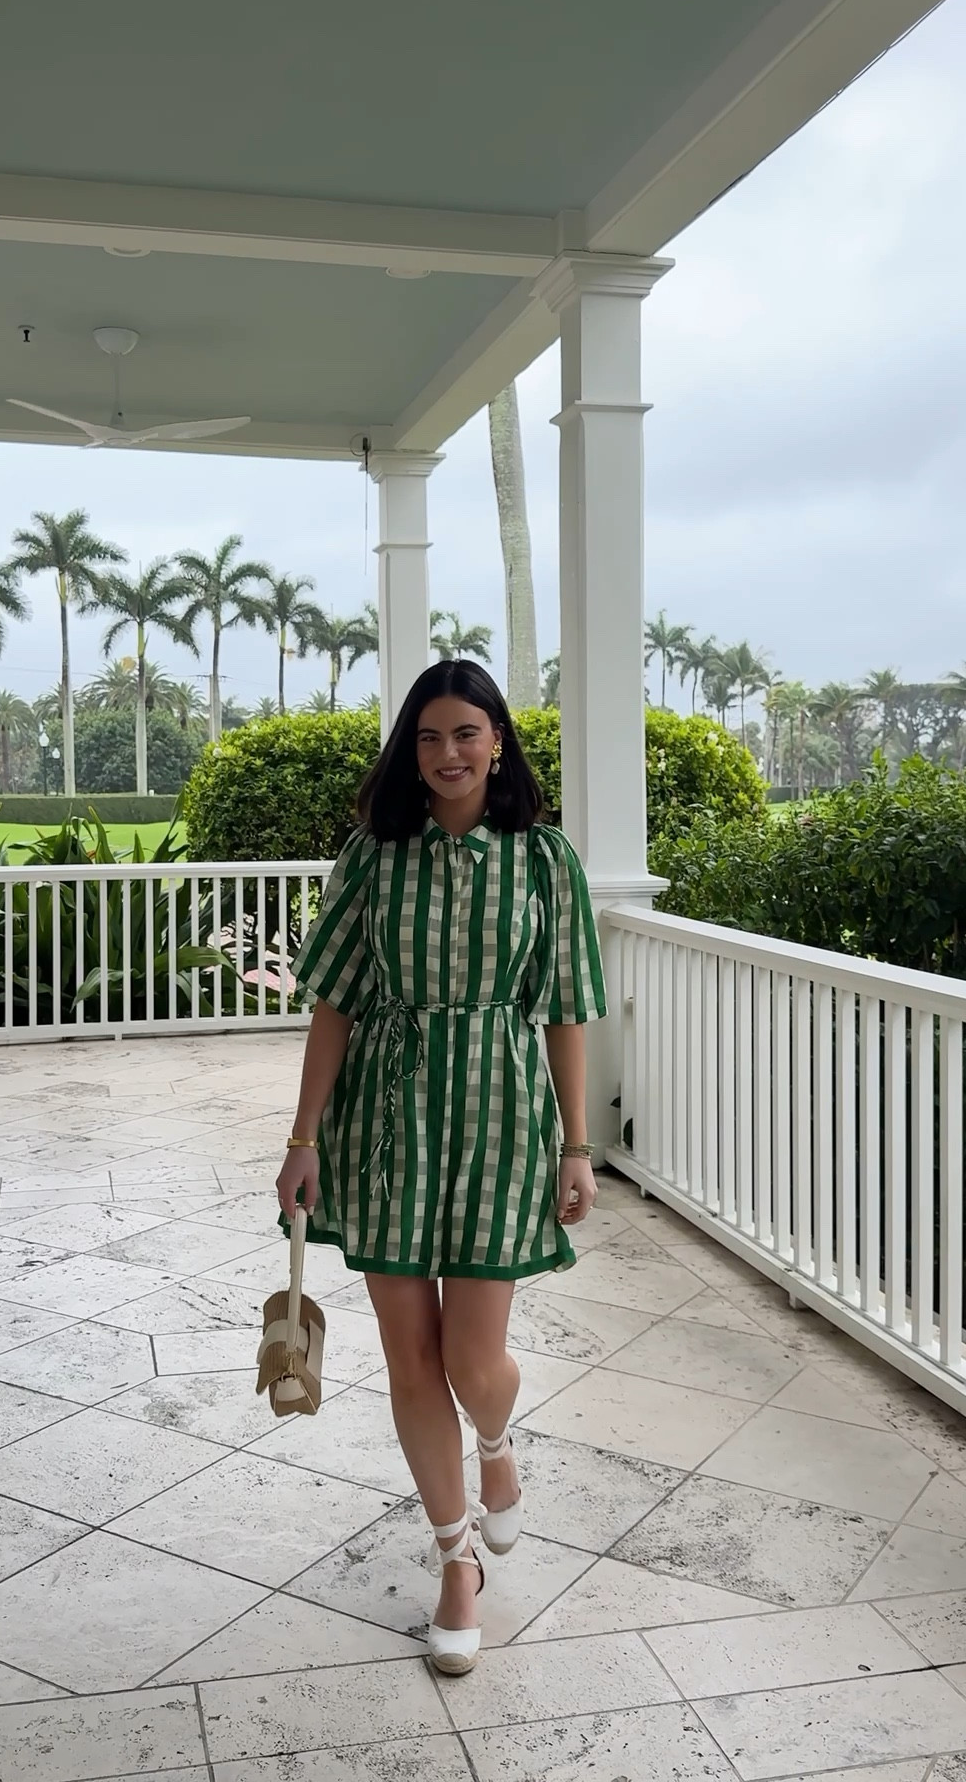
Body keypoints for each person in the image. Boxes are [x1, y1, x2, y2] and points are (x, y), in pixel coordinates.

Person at [276, 660, 606, 1675]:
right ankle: (455, 1560)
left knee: (473, 1360)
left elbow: (564, 1008)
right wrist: (304, 1138)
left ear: (498, 742)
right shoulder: (375, 859)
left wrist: (576, 1144)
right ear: (409, 754)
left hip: (501, 1114)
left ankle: (498, 1446)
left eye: (466, 733)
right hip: (387, 1114)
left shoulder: (545, 861)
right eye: (428, 737)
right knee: (410, 1355)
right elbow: (333, 1000)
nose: (448, 753)